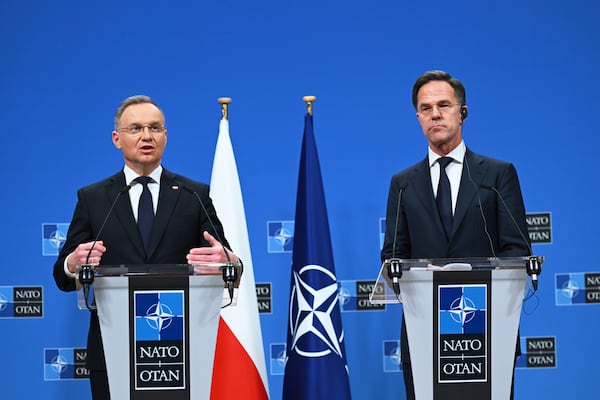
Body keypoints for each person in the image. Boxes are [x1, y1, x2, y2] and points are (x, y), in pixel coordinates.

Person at [53, 95, 239, 399]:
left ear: (165, 136)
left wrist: (231, 262)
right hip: (112, 348)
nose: (146, 136)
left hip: (180, 349)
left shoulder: (194, 194)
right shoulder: (94, 198)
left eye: (155, 128)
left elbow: (226, 260)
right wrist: (71, 264)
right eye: (135, 128)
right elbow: (62, 276)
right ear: (117, 139)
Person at [380, 70, 530, 400]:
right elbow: (392, 255)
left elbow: (516, 250)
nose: (435, 113)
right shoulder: (402, 183)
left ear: (462, 112)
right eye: (426, 107)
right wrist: (415, 275)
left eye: (444, 105)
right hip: (424, 335)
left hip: (486, 331)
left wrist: (469, 278)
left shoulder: (497, 174)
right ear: (418, 116)